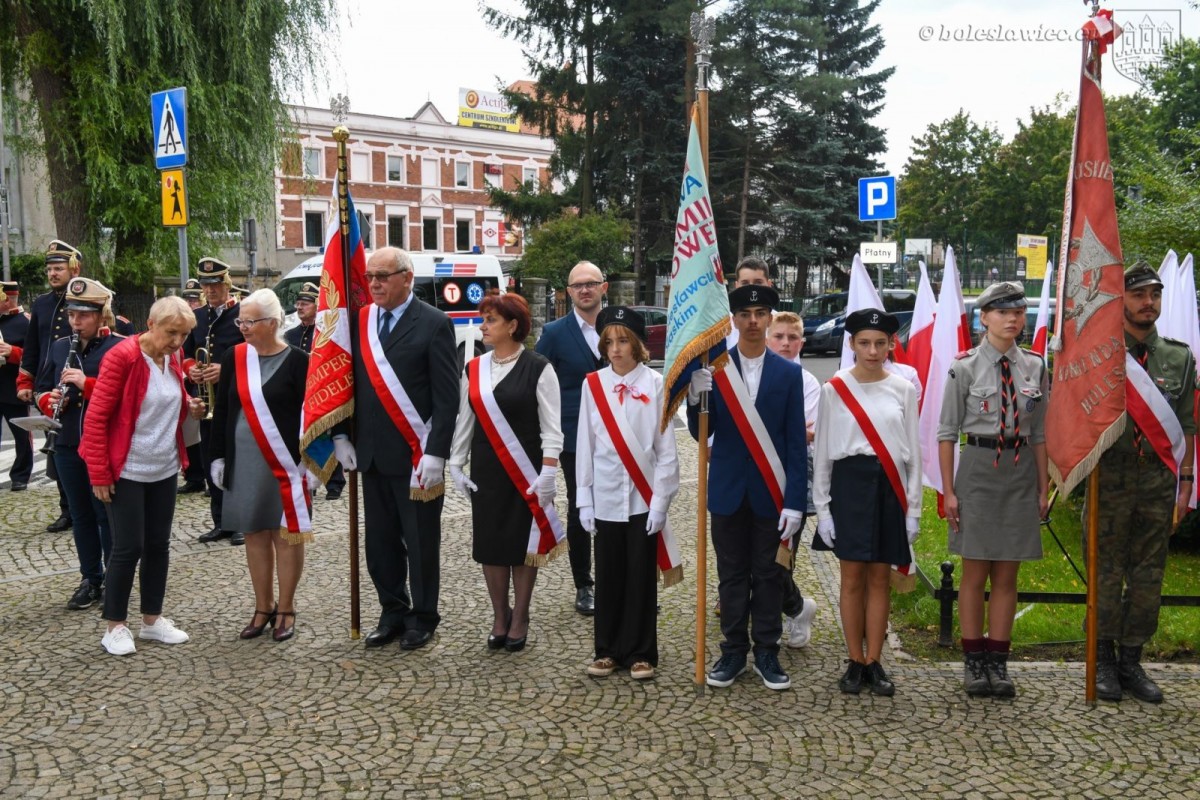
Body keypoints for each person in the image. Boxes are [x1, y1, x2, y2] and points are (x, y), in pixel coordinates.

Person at [332, 247, 458, 651]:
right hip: (370, 454)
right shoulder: (361, 321)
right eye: (370, 277)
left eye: (383, 276)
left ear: (407, 277)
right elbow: (345, 382)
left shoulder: (434, 323)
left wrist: (437, 452)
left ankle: (423, 617)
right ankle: (392, 611)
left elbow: (447, 396)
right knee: (380, 543)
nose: (374, 284)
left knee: (420, 542)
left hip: (416, 456)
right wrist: (339, 435)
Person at [687, 285, 807, 691]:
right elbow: (700, 433)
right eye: (745, 314)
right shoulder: (716, 370)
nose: (753, 321)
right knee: (732, 575)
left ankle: (767, 652)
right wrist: (693, 398)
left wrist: (795, 503)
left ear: (771, 318)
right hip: (727, 491)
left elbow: (794, 442)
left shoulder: (789, 374)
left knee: (770, 574)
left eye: (760, 313)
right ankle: (734, 649)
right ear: (733, 321)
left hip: (772, 494)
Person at [937, 281, 1049, 699]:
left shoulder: (1035, 366)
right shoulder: (963, 367)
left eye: (1018, 312)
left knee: (1008, 571)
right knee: (974, 572)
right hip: (979, 470)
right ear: (983, 318)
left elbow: (1039, 433)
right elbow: (947, 433)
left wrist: (1043, 487)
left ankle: (998, 662)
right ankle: (973, 660)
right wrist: (948, 491)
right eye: (1003, 312)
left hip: (1020, 473)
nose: (1013, 319)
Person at [1088, 263, 1194, 703]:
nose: (1148, 303)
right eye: (1138, 295)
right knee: (1106, 569)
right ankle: (1105, 660)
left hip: (1156, 476)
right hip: (1109, 473)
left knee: (1149, 573)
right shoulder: (1100, 356)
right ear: (1122, 300)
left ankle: (1133, 659)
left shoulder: (1178, 357)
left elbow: (1188, 424)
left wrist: (1185, 483)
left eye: (1154, 294)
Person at [81, 296, 204, 655]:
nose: (178, 342)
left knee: (158, 545)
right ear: (151, 325)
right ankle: (115, 626)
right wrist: (100, 473)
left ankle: (152, 620)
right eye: (171, 333)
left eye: (183, 335)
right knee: (127, 547)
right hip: (127, 468)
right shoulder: (122, 357)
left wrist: (189, 405)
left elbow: (170, 397)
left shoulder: (173, 357)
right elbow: (97, 418)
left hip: (163, 466)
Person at [814, 309, 922, 697]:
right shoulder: (835, 389)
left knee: (880, 578)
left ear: (891, 344)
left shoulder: (904, 389)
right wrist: (823, 509)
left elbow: (913, 456)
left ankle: (875, 661)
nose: (873, 351)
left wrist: (914, 509)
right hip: (849, 486)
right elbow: (824, 452)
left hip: (888, 486)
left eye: (880, 343)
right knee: (852, 578)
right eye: (864, 343)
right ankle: (854, 660)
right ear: (852, 345)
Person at [450, 292, 564, 652]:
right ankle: (500, 614)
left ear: (513, 325)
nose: (483, 326)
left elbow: (552, 428)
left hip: (526, 470)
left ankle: (521, 615)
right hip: (487, 469)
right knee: (491, 546)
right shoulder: (474, 368)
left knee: (521, 546)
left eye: (491, 320)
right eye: (484, 319)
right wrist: (456, 462)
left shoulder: (539, 367)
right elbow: (465, 420)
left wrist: (548, 472)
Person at [576, 307, 678, 679]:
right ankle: (607, 649)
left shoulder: (656, 384)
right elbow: (585, 444)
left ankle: (641, 652)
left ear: (637, 345)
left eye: (622, 341)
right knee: (608, 574)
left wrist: (660, 503)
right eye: (609, 342)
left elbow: (666, 451)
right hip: (604, 495)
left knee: (640, 576)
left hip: (641, 498)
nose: (615, 349)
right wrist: (584, 498)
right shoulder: (593, 384)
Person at [210, 289, 313, 642]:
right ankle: (262, 606)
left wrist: (313, 463)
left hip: (286, 463)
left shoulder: (299, 360)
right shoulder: (234, 356)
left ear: (272, 323)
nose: (243, 327)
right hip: (245, 459)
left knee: (285, 533)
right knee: (254, 532)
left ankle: (286, 608)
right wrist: (218, 456)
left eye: (250, 321)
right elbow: (223, 409)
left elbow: (311, 414)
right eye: (240, 320)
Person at [34, 278, 124, 610]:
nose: (76, 322)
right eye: (72, 314)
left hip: (103, 445)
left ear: (103, 314)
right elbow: (41, 388)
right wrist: (49, 399)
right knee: (81, 515)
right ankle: (91, 578)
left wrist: (86, 384)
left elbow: (125, 396)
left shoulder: (119, 347)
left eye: (84, 315)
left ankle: (116, 575)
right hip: (68, 440)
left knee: (106, 515)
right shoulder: (60, 347)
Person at [535, 260, 606, 616]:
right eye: (578, 285)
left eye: (591, 283)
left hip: (618, 435)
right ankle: (585, 584)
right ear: (568, 292)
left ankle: (619, 579)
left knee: (620, 506)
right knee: (581, 507)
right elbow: (537, 384)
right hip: (574, 437)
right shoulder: (554, 333)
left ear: (603, 288)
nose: (585, 289)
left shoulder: (619, 327)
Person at [19, 240, 83, 533]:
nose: (53, 274)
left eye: (58, 268)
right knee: (55, 448)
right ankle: (67, 509)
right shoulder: (43, 303)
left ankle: (85, 505)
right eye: (50, 269)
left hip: (74, 381)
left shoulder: (85, 299)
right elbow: (32, 346)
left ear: (74, 269)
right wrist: (26, 380)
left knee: (75, 445)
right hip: (47, 384)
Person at [765, 311, 819, 648]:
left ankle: (794, 610)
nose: (786, 343)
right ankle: (794, 608)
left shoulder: (808, 382)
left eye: (793, 337)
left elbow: (806, 434)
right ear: (768, 337)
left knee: (781, 558)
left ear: (802, 341)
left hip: (792, 478)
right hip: (755, 475)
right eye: (779, 336)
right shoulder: (751, 374)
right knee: (757, 556)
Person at [182, 257, 243, 544]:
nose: (211, 290)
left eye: (216, 284)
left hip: (236, 399)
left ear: (227, 284)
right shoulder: (198, 316)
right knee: (211, 459)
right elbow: (185, 354)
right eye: (206, 285)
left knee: (237, 461)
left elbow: (257, 354)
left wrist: (226, 370)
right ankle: (220, 521)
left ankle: (241, 520)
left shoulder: (242, 313)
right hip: (207, 402)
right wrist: (190, 370)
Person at [284, 281, 345, 500]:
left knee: (324, 436)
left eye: (305, 304)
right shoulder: (290, 335)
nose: (300, 307)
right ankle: (308, 480)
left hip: (321, 392)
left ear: (317, 306)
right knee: (301, 438)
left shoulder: (325, 333)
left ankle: (334, 482)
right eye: (298, 303)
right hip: (298, 393)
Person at [0, 281, 33, 492]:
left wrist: (12, 351)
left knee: (22, 436)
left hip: (14, 388)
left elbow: (34, 357)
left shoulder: (25, 322)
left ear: (8, 299)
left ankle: (20, 476)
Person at [177, 280, 208, 494]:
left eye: (194, 299)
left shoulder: (205, 318)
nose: (191, 303)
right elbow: (184, 354)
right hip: (191, 382)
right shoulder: (186, 322)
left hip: (212, 384)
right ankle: (194, 475)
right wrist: (189, 369)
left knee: (205, 433)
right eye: (187, 299)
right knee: (191, 433)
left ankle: (207, 475)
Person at [725, 256, 772, 351]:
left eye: (758, 282)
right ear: (737, 286)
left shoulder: (780, 321)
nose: (751, 288)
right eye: (745, 283)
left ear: (769, 284)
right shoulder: (724, 325)